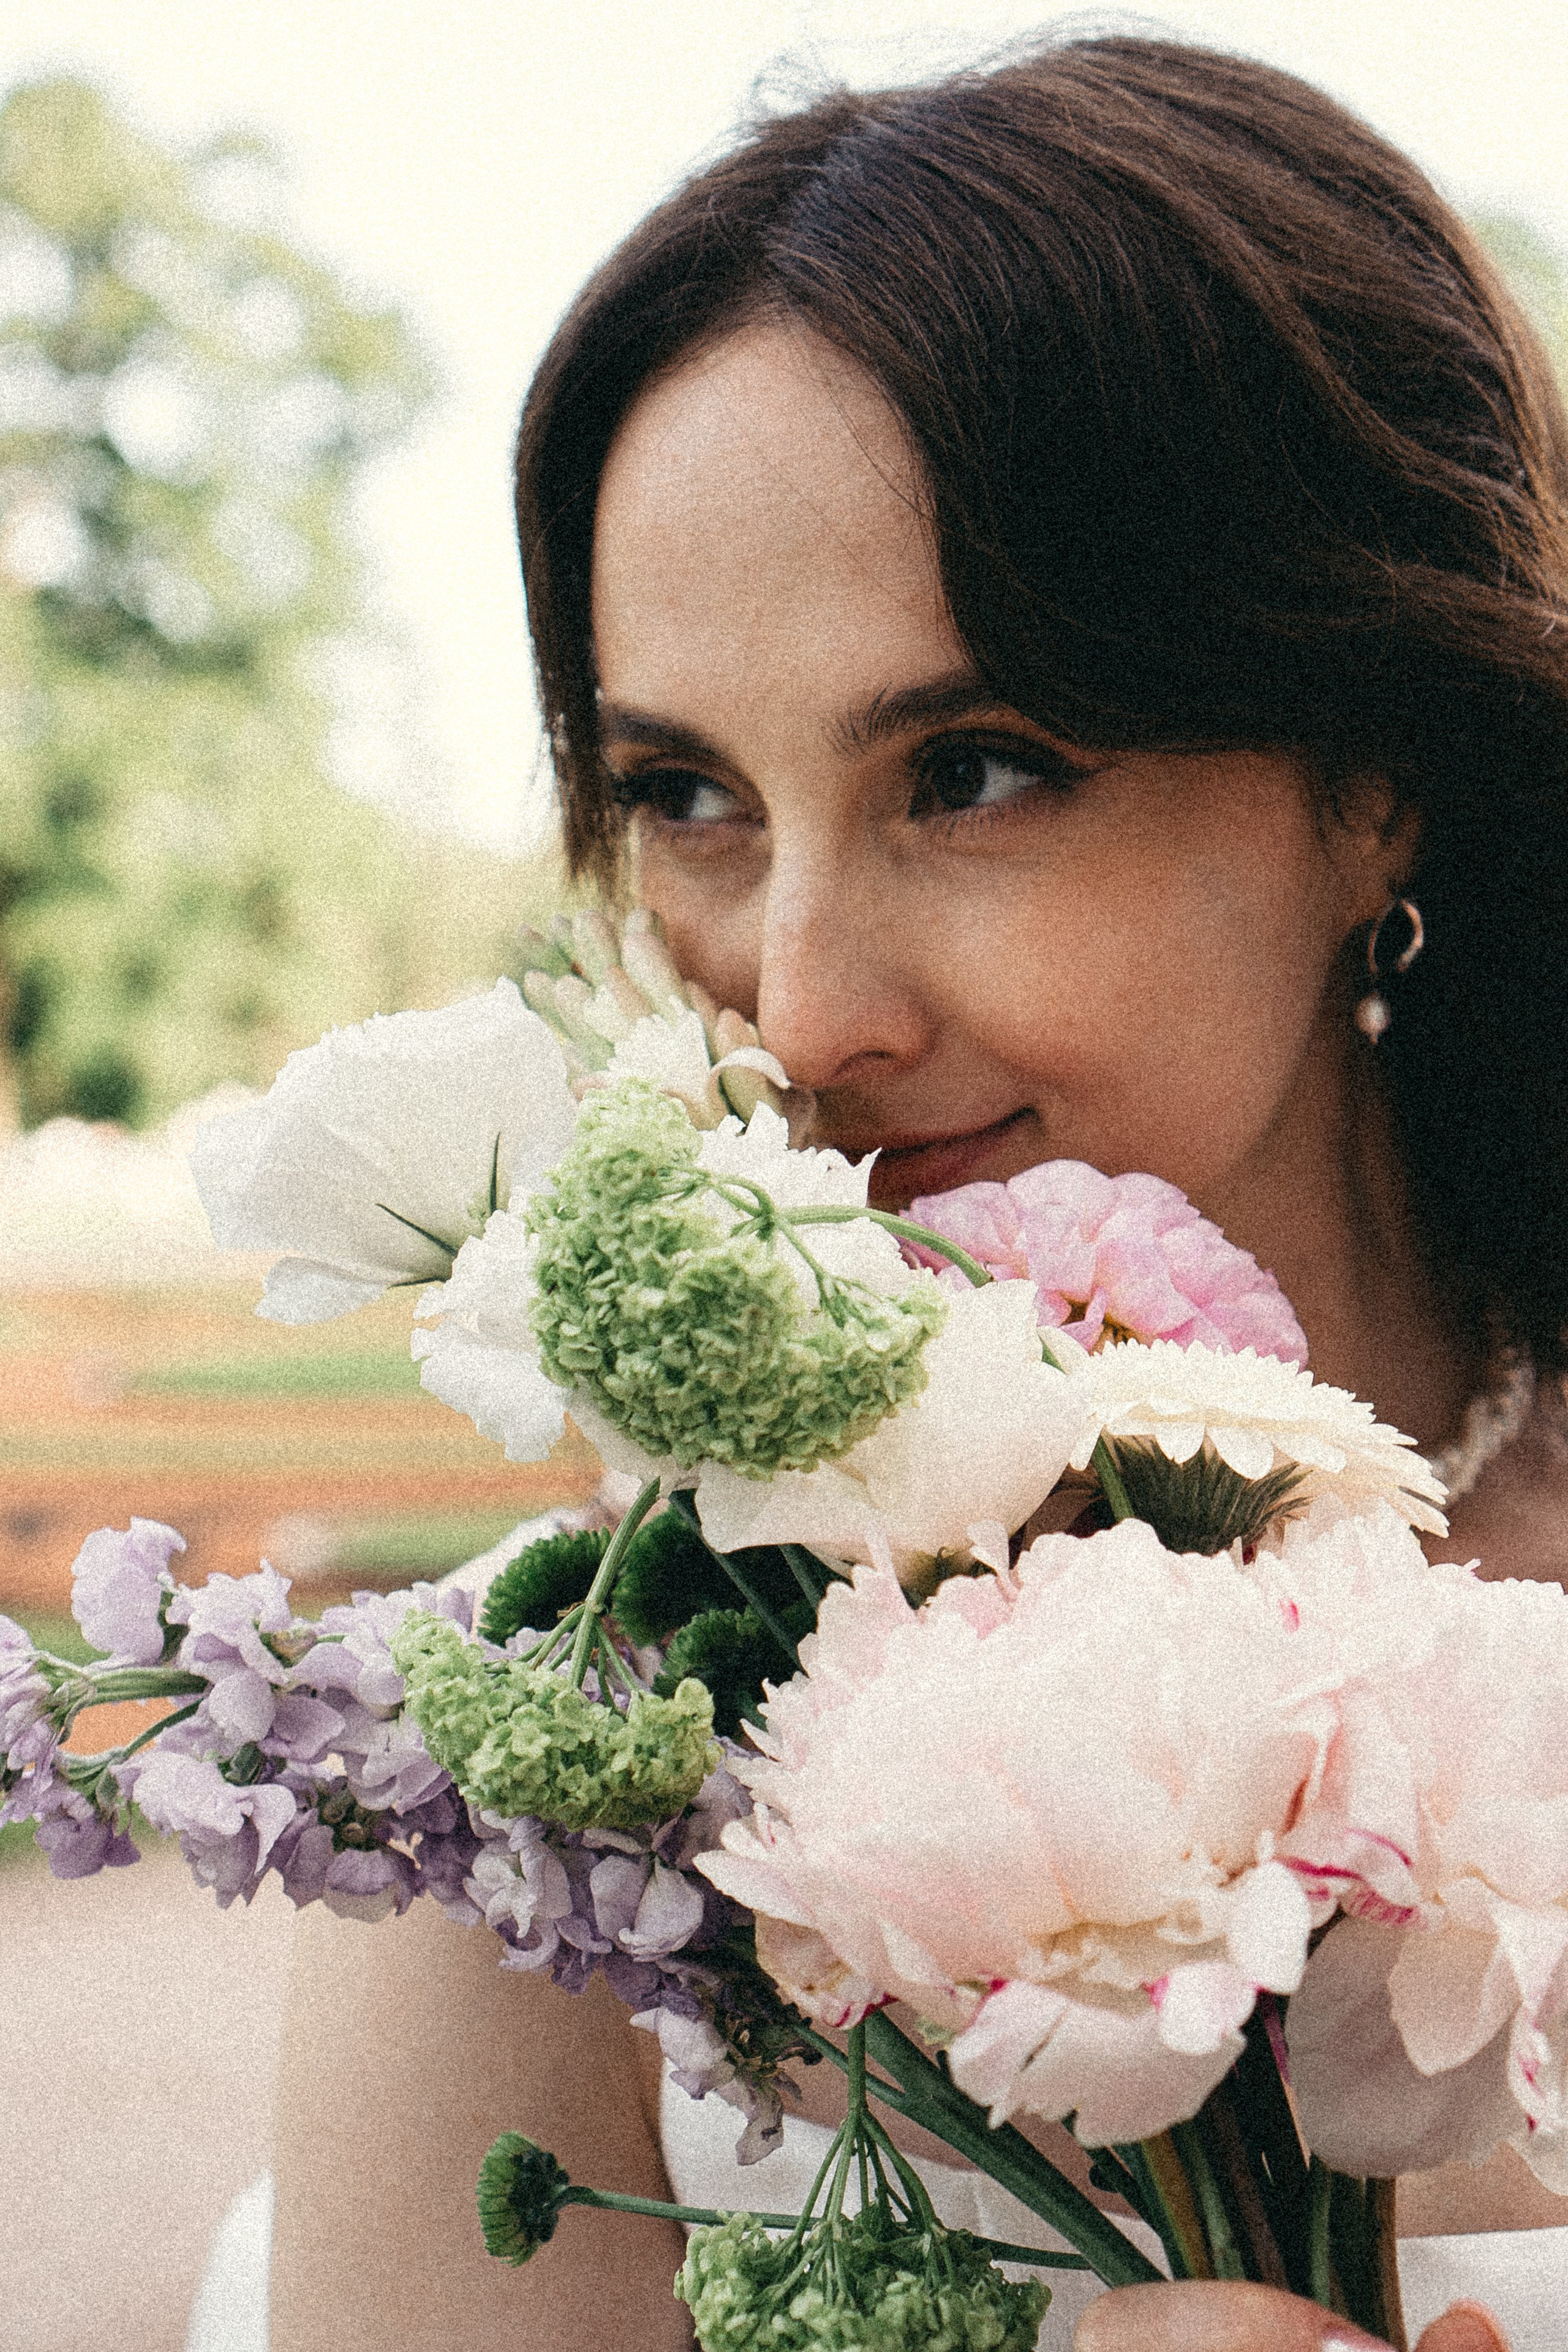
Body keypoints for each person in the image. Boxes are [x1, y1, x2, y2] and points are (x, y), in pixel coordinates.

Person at [266, 33, 1568, 2352]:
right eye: (687, 793)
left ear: (1379, 774)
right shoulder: (544, 1765)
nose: (797, 997)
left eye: (972, 770)